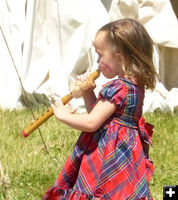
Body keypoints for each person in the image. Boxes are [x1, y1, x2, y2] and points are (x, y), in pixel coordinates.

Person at [42, 18, 157, 200]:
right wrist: (88, 92)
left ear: (119, 55)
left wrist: (62, 115)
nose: (98, 61)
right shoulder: (135, 86)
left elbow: (91, 122)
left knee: (101, 192)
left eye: (100, 54)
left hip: (107, 158)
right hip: (124, 156)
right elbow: (102, 116)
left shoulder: (118, 88)